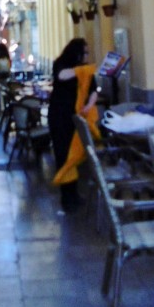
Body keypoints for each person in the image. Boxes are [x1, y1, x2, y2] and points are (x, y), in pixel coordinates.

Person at [48, 37, 98, 213]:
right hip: (60, 117)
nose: (86, 56)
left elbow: (94, 91)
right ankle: (66, 198)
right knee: (63, 156)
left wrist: (89, 105)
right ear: (75, 52)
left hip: (77, 117)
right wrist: (83, 70)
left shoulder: (84, 70)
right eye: (84, 52)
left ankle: (74, 193)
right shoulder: (60, 64)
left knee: (75, 155)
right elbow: (62, 75)